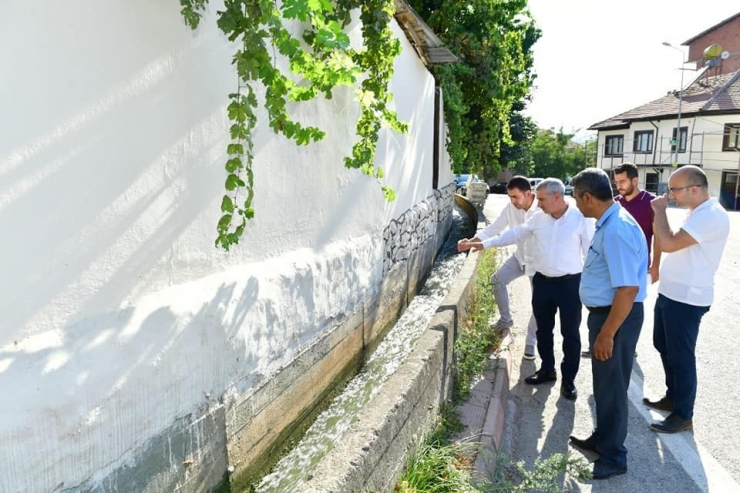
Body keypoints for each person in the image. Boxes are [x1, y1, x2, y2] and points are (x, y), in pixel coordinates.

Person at [463, 179, 593, 400]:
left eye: (541, 199)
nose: (538, 204)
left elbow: (590, 253)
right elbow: (513, 234)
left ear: (557, 197)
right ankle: (546, 369)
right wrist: (483, 243)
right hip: (542, 281)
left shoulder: (580, 219)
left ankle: (569, 380)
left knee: (570, 334)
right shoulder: (538, 218)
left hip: (570, 284)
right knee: (543, 330)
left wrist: (590, 286)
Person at [567, 168, 647, 480]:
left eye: (576, 198)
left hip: (615, 317)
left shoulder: (616, 229)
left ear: (588, 197)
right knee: (604, 385)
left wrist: (607, 334)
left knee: (612, 388)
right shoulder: (611, 222)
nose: (576, 204)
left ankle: (614, 456)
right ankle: (604, 439)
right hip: (608, 315)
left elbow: (628, 289)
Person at [644, 165, 729, 433]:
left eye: (674, 190)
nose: (670, 195)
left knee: (681, 356)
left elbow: (668, 243)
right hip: (672, 292)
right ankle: (673, 397)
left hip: (688, 298)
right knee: (663, 344)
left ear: (695, 189)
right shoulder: (697, 212)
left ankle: (683, 415)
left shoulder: (711, 216)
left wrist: (659, 211)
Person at [581, 162, 661, 358]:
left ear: (635, 180)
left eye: (623, 181)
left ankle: (622, 345)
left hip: (631, 267)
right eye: (616, 182)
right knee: (613, 370)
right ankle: (620, 346)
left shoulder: (649, 203)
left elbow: (658, 236)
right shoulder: (616, 203)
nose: (619, 186)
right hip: (619, 270)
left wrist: (656, 265)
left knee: (614, 373)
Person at [457, 176, 540, 360]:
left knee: (538, 304)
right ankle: (505, 319)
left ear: (528, 194)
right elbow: (493, 229)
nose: (512, 201)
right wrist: (471, 242)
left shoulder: (542, 210)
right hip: (520, 258)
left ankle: (530, 343)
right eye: (509, 197)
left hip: (539, 264)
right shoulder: (511, 208)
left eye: (515, 197)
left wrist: (485, 244)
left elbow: (510, 236)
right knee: (497, 280)